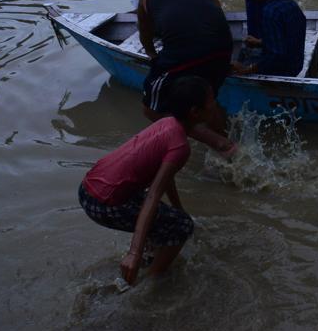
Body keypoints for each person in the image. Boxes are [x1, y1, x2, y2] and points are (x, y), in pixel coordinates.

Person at [79, 76, 237, 286]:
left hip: (89, 188)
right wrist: (133, 252)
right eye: (211, 102)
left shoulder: (166, 123)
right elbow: (153, 195)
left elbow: (163, 177)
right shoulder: (180, 146)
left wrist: (179, 208)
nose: (215, 105)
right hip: (103, 203)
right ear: (195, 112)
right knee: (182, 227)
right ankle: (151, 282)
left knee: (170, 218)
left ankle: (148, 257)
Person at [138, 0, 232, 122]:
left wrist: (153, 56)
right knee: (207, 101)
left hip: (186, 52)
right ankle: (229, 138)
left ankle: (220, 144)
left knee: (150, 109)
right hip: (223, 48)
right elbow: (219, 14)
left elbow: (145, 31)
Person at [232, 0, 305, 77]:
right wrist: (260, 42)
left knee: (236, 65)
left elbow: (276, 56)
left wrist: (248, 69)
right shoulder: (291, 4)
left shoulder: (270, 12)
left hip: (283, 71)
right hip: (296, 65)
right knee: (247, 49)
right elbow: (286, 41)